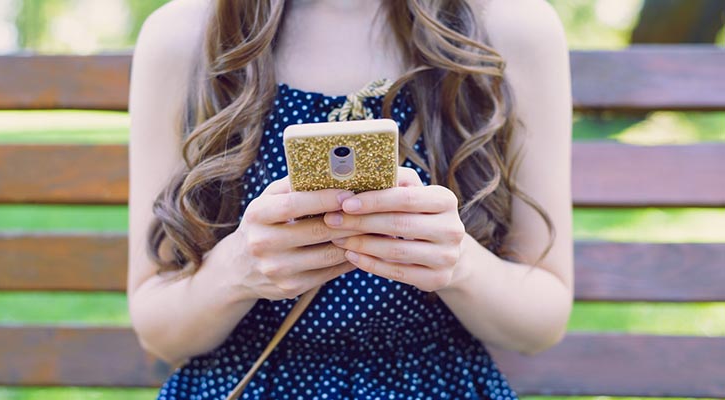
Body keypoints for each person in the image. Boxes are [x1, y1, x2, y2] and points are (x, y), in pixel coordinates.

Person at [127, 0, 574, 398]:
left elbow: (542, 321)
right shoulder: (184, 34)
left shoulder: (514, 27)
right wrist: (236, 271)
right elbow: (158, 331)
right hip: (245, 377)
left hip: (434, 382)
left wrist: (458, 266)